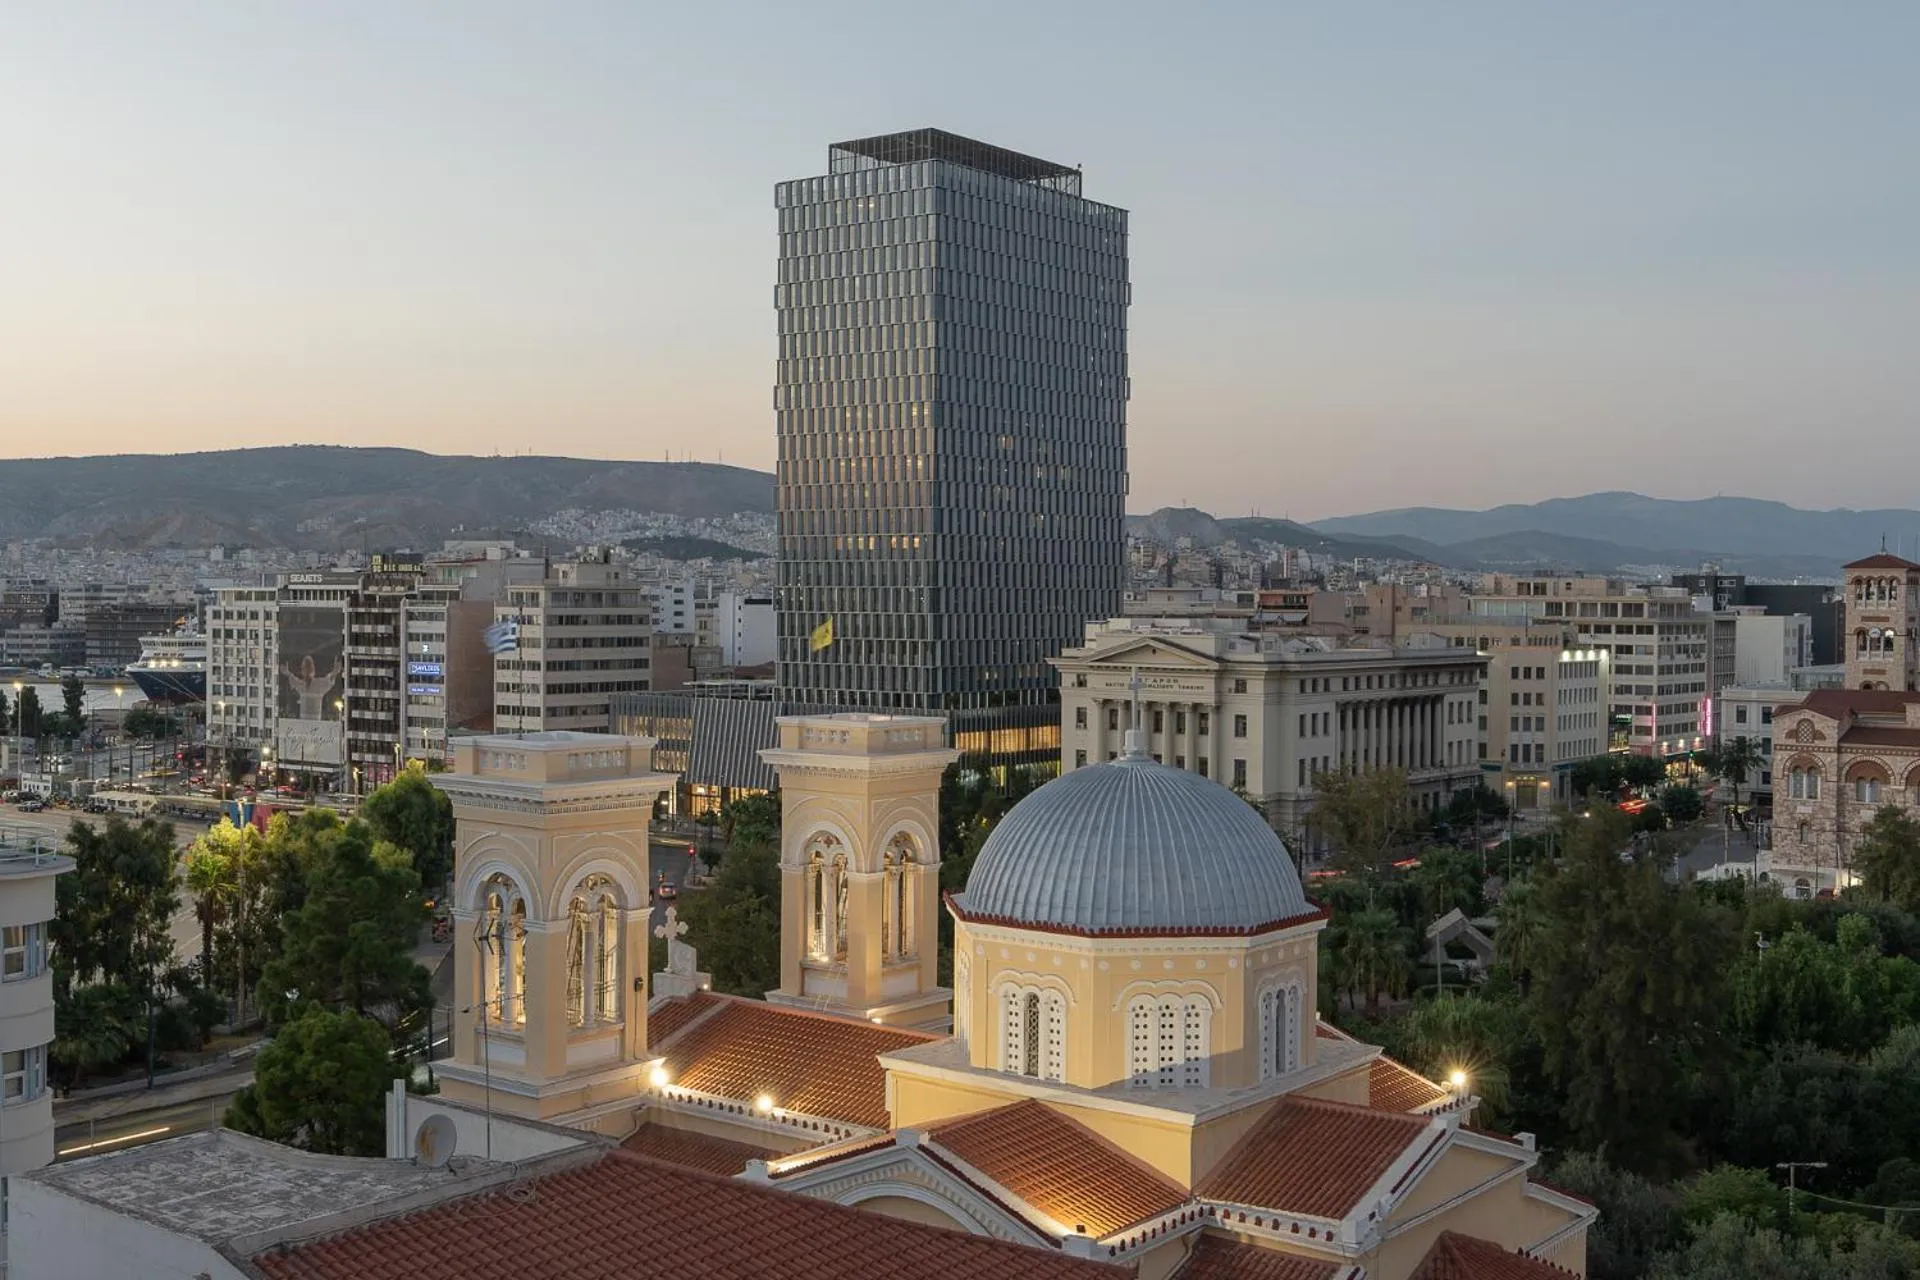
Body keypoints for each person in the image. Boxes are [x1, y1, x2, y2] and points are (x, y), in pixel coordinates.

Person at [281, 653, 342, 720]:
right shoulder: (301, 684)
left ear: (313, 669)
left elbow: (330, 679)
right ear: (302, 670)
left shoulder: (319, 685)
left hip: (316, 724)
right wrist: (287, 673)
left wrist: (335, 671)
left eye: (309, 667)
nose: (308, 669)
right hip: (303, 723)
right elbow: (291, 677)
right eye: (306, 667)